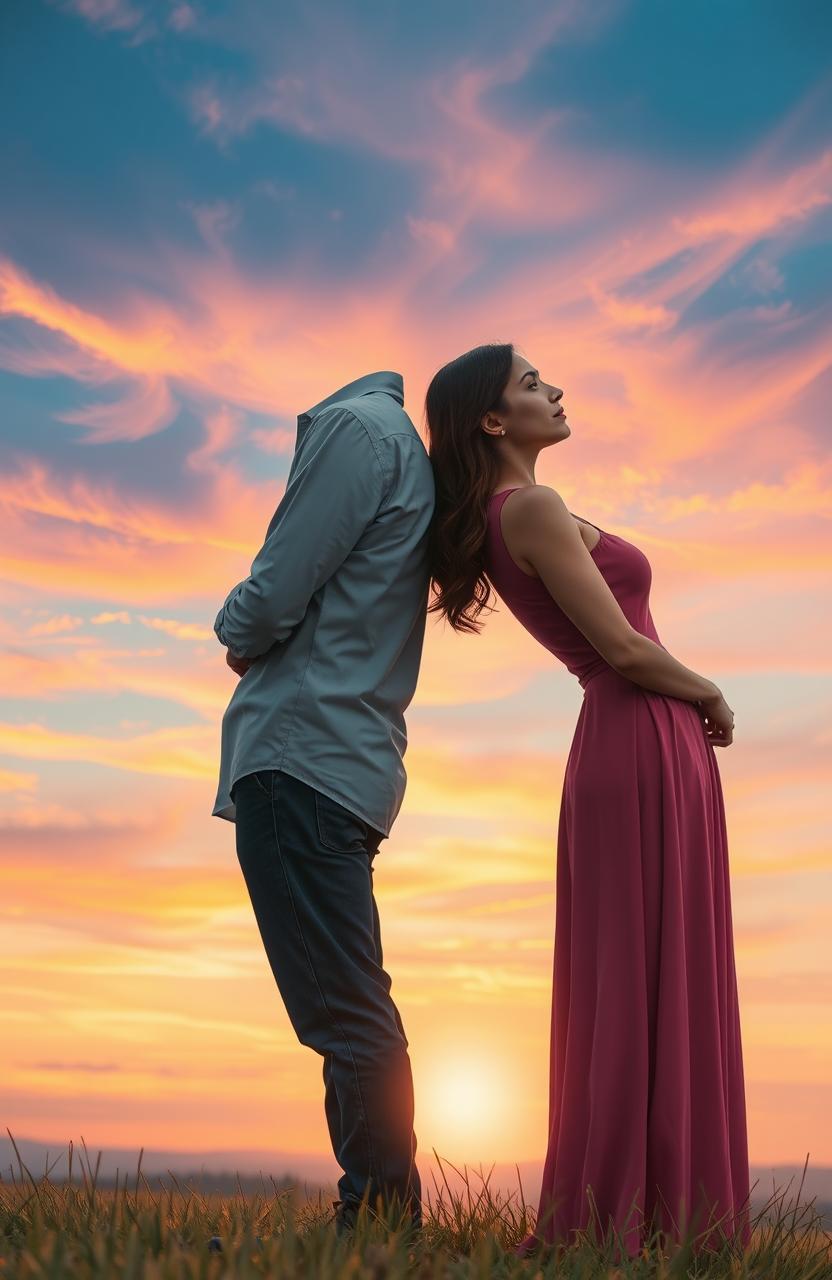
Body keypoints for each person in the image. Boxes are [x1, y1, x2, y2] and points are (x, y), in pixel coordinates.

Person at [423, 342, 752, 1260]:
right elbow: (624, 649)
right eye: (531, 384)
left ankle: (649, 1216)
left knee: (643, 974)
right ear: (493, 421)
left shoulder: (510, 510)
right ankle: (636, 1221)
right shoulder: (529, 506)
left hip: (635, 742)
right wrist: (711, 694)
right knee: (645, 975)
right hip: (637, 733)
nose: (554, 389)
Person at [211, 370, 435, 1236]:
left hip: (302, 759)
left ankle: (378, 1224)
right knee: (354, 1001)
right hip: (348, 767)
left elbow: (269, 596)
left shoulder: (356, 429)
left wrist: (234, 631)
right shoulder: (405, 453)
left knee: (344, 1011)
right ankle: (383, 1218)